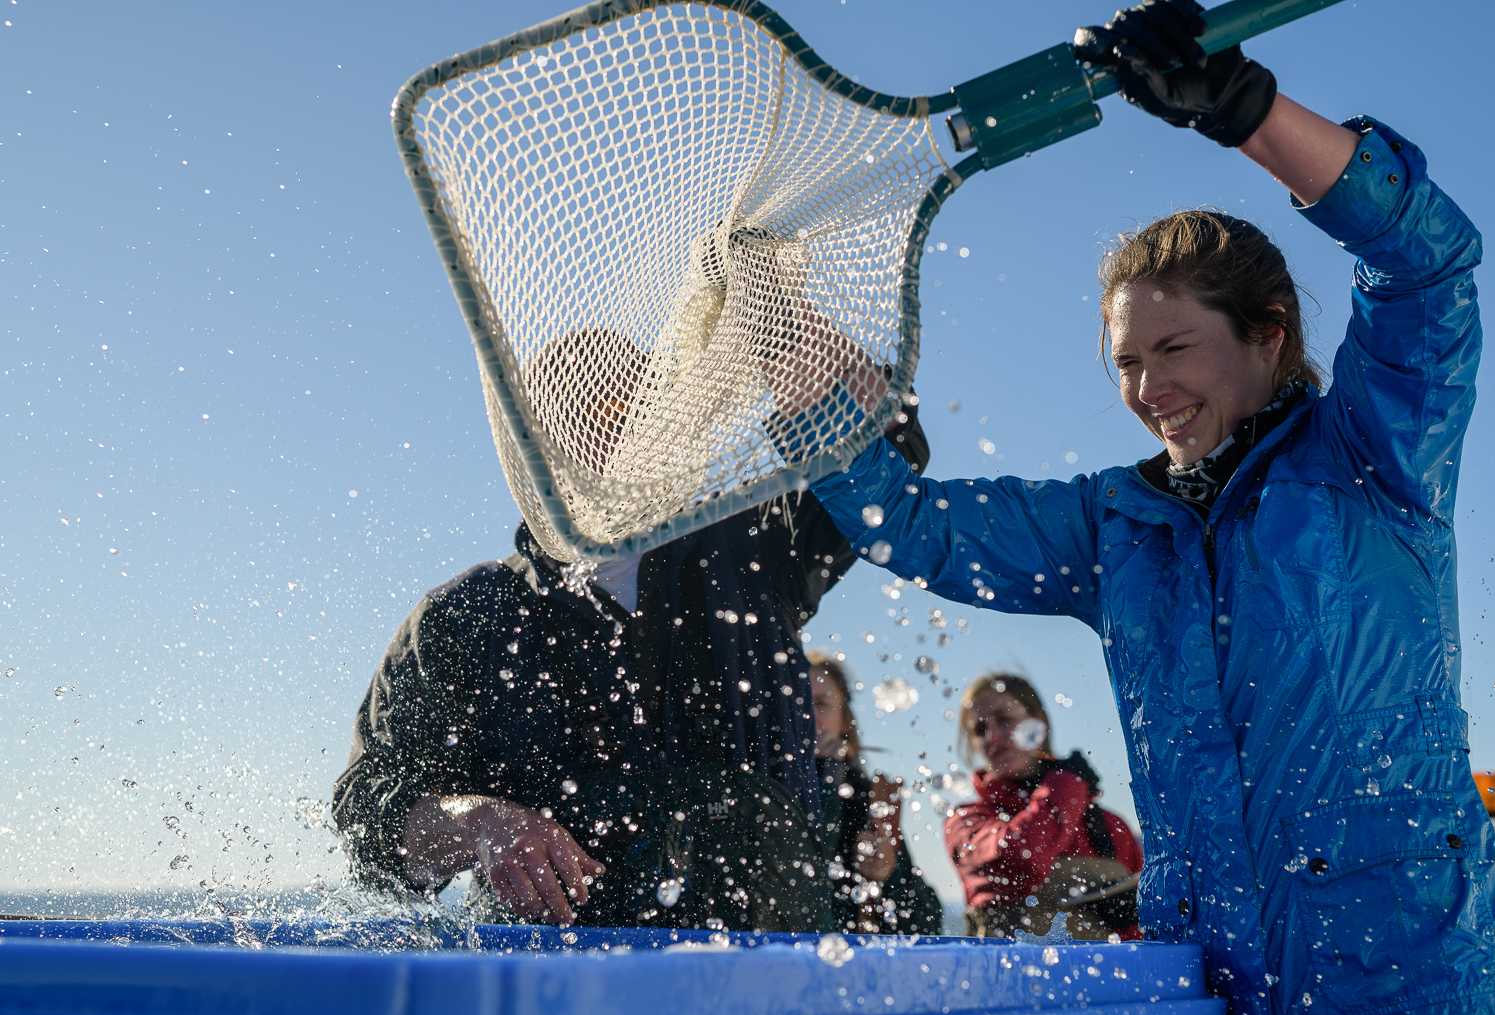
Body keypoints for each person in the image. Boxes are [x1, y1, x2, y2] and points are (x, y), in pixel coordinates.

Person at [806, 1, 1495, 1015]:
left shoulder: (1371, 453)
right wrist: (809, 402)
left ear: (1266, 336)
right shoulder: (1112, 526)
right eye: (1124, 363)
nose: (1147, 388)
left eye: (1173, 349)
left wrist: (1245, 112)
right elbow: (918, 527)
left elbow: (1428, 266)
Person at [332, 321, 930, 928]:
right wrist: (481, 822)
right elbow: (366, 818)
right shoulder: (464, 617)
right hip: (546, 992)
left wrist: (779, 321)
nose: (604, 429)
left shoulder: (756, 551)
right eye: (573, 412)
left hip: (776, 983)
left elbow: (890, 454)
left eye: (628, 406)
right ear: (527, 448)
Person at [945, 673, 1141, 941]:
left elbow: (1143, 929)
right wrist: (1065, 784)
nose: (991, 736)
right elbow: (1022, 858)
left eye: (1004, 720)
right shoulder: (966, 822)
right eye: (980, 730)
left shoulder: (1107, 826)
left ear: (1040, 722)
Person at [807, 650, 943, 935]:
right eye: (795, 700)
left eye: (821, 703)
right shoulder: (757, 794)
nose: (807, 714)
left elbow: (927, 923)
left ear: (845, 720)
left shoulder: (869, 801)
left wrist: (891, 874)